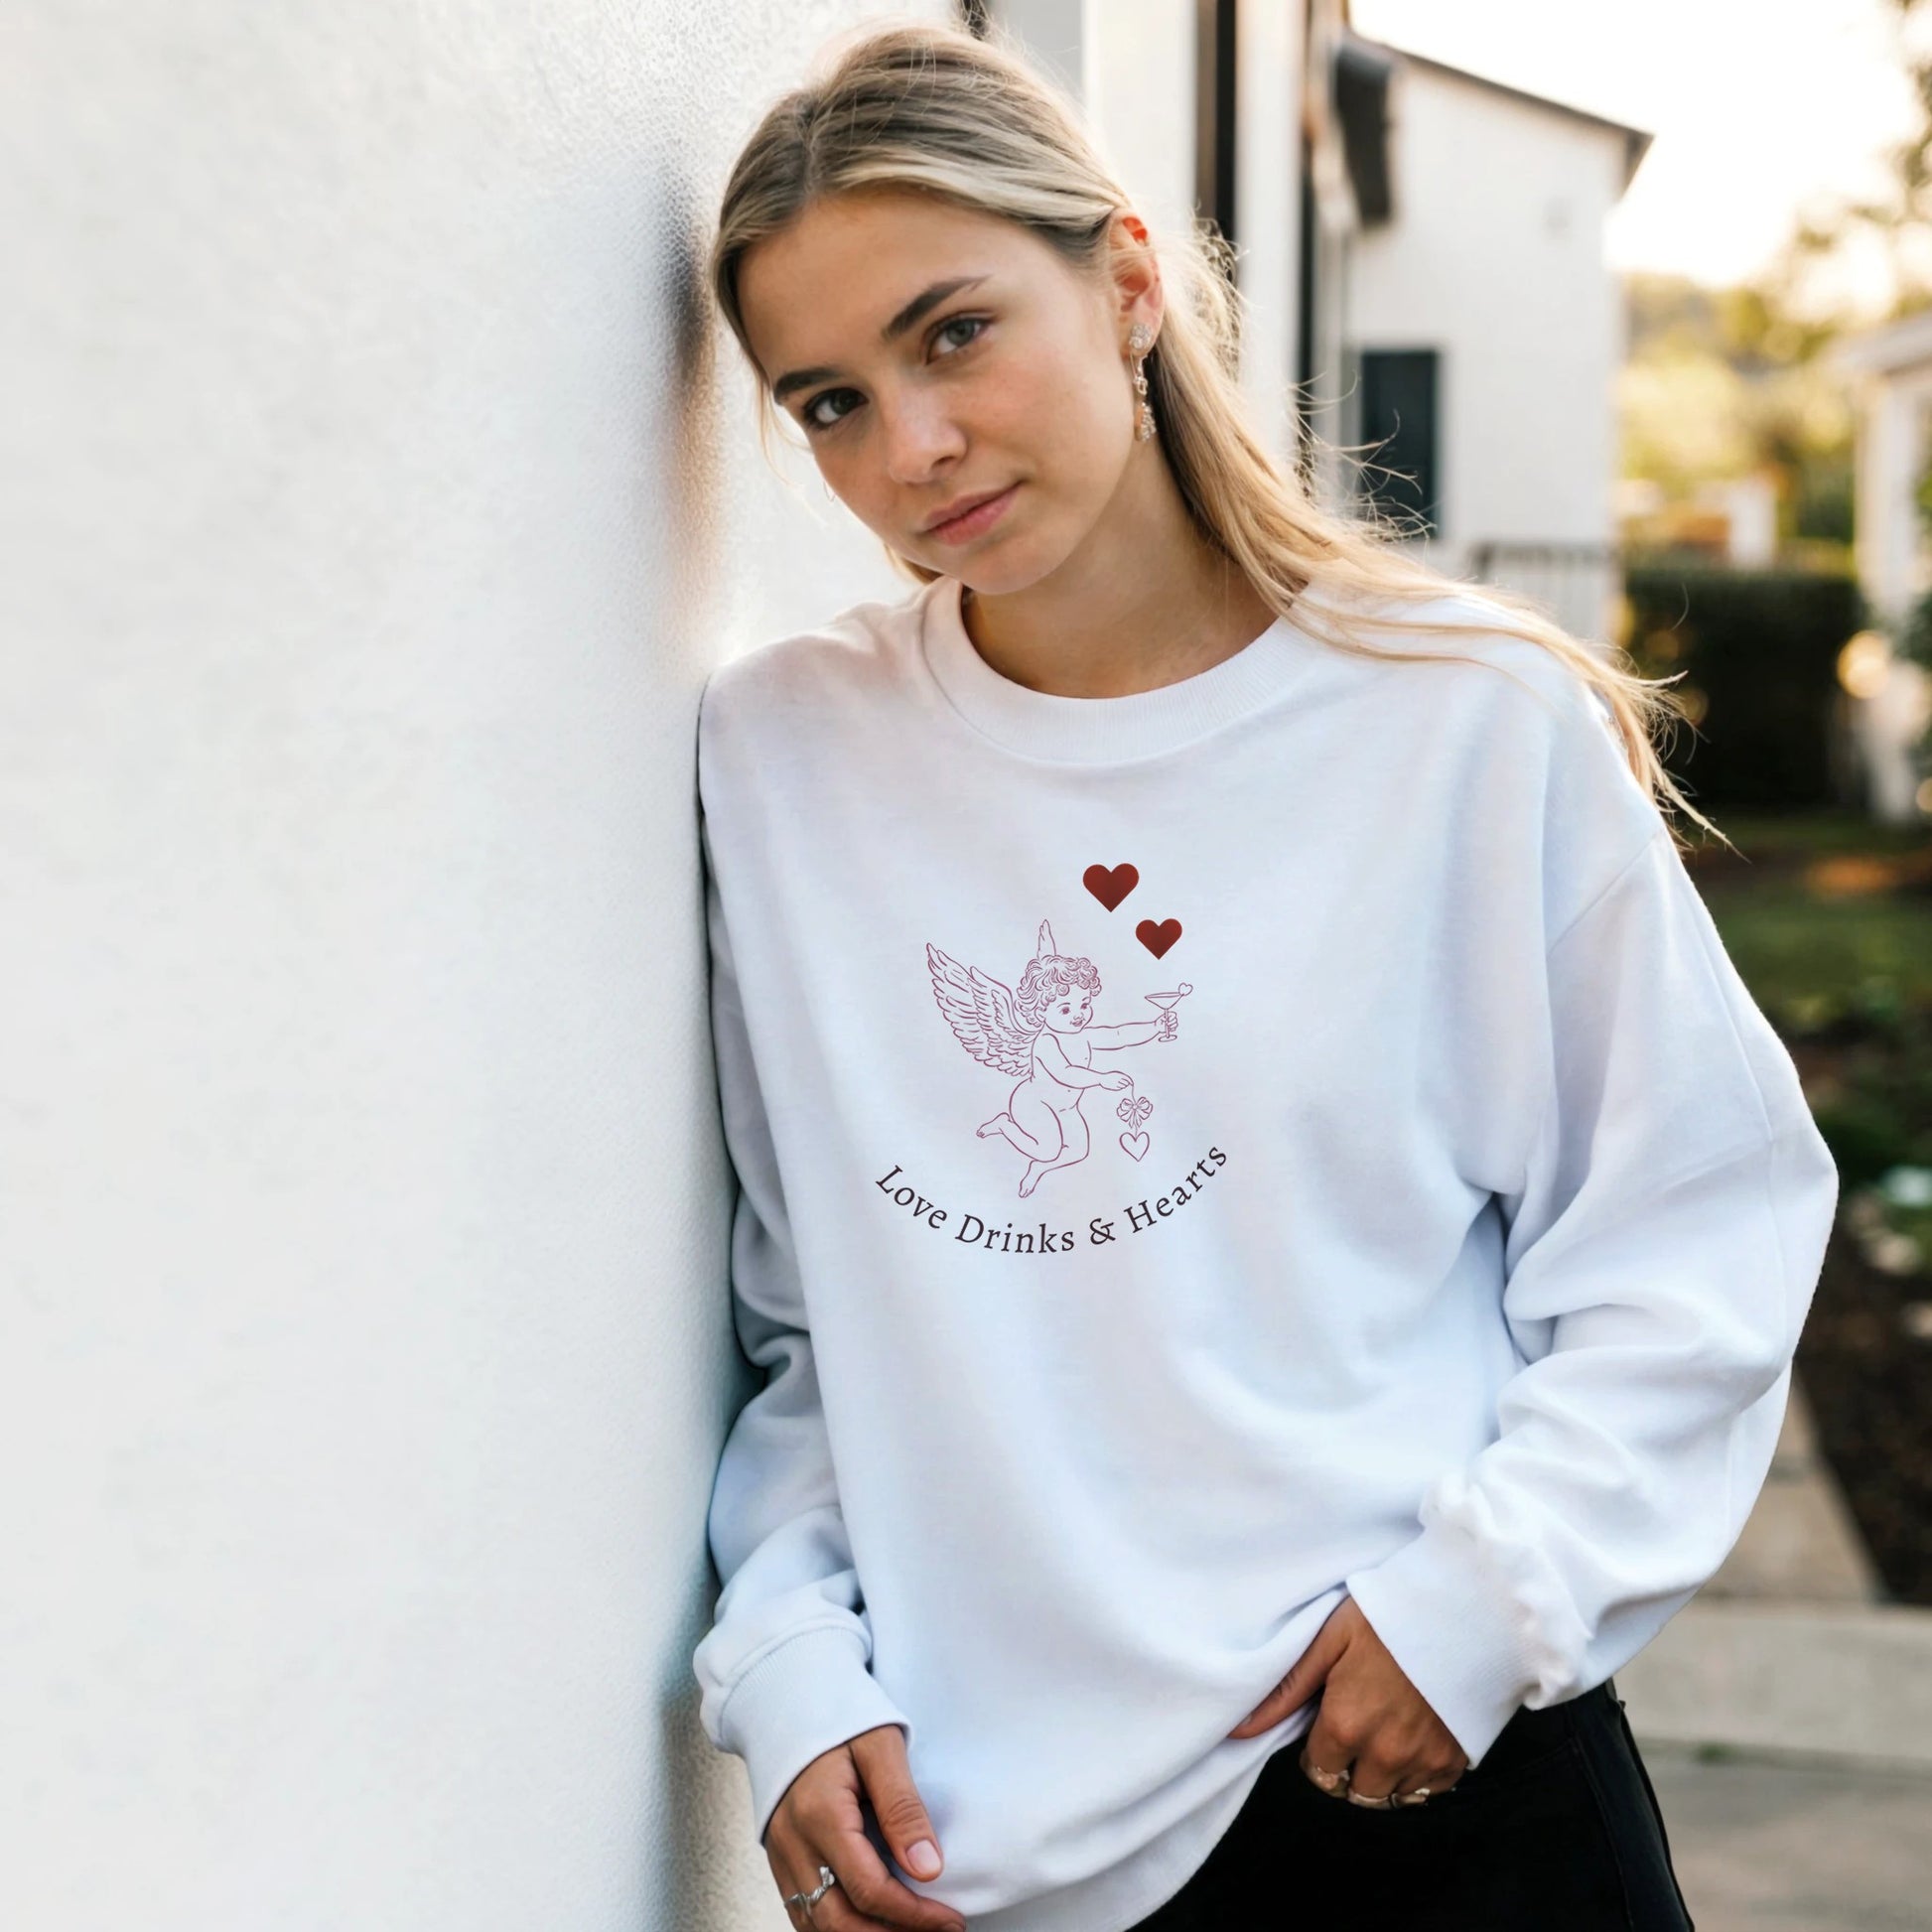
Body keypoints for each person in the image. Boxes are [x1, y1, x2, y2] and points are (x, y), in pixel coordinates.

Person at [689, 20, 1838, 1932]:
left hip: (1414, 1777)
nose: (911, 448)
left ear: (1128, 281)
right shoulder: (788, 760)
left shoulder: (1459, 723)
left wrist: (1479, 1604)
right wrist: (793, 1663)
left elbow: (1696, 1232)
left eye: (953, 331)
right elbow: (817, 1310)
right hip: (989, 1854)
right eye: (825, 401)